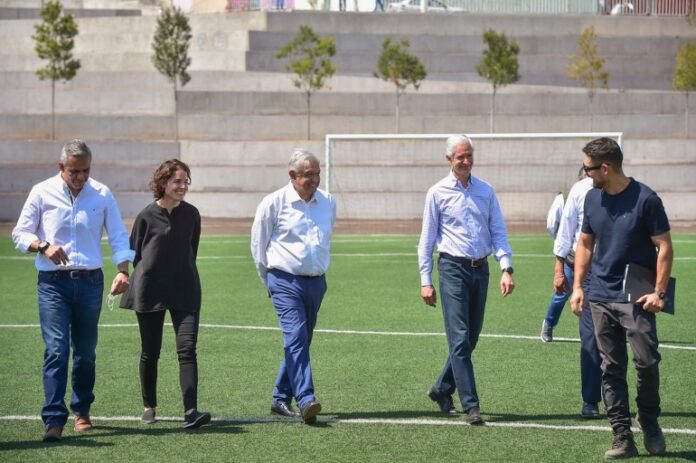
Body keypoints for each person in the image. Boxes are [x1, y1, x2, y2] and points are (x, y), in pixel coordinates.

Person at [12, 139, 134, 443]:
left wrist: (123, 270)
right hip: (53, 284)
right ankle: (54, 419)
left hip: (91, 282)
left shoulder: (102, 193)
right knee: (56, 349)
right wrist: (42, 245)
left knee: (85, 352)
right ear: (61, 167)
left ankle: (82, 409)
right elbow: (20, 233)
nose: (81, 177)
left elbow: (118, 234)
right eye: (74, 171)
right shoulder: (42, 191)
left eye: (85, 171)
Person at [571, 137, 672, 459]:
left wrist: (659, 292)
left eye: (587, 168)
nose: (584, 174)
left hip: (638, 297)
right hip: (600, 295)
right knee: (611, 369)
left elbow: (664, 246)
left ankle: (650, 421)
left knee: (647, 362)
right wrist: (578, 287)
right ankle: (622, 436)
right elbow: (585, 243)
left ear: (605, 168)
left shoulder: (646, 199)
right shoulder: (591, 198)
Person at [417, 134, 515, 425]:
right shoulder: (437, 193)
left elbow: (498, 231)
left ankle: (441, 389)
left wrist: (506, 267)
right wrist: (425, 280)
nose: (466, 161)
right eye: (460, 156)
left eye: (469, 155)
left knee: (470, 338)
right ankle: (471, 405)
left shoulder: (486, 191)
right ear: (449, 159)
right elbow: (427, 240)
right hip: (452, 269)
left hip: (481, 270)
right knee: (459, 338)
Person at [120, 159, 211, 430]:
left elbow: (192, 249)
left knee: (187, 350)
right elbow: (136, 253)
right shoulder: (146, 216)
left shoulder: (192, 214)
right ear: (163, 182)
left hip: (185, 290)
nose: (183, 186)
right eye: (177, 181)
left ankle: (191, 411)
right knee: (150, 352)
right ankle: (149, 406)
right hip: (149, 290)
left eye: (186, 182)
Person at [251, 148, 336, 425]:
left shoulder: (328, 202)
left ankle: (279, 398)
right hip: (284, 280)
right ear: (292, 175)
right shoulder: (273, 203)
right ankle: (306, 399)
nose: (315, 180)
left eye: (318, 173)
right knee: (296, 336)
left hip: (316, 282)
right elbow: (258, 245)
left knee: (300, 340)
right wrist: (267, 281)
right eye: (309, 175)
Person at [548, 171, 603, 420]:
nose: (588, 173)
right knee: (589, 338)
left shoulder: (630, 192)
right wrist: (560, 271)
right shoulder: (580, 190)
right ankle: (590, 400)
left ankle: (617, 399)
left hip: (617, 274)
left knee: (618, 339)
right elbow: (565, 231)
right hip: (587, 272)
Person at [541, 167, 585, 342]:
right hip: (572, 256)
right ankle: (549, 324)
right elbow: (552, 224)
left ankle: (591, 332)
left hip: (595, 258)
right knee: (562, 293)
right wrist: (563, 242)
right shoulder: (565, 197)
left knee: (593, 297)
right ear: (579, 177)